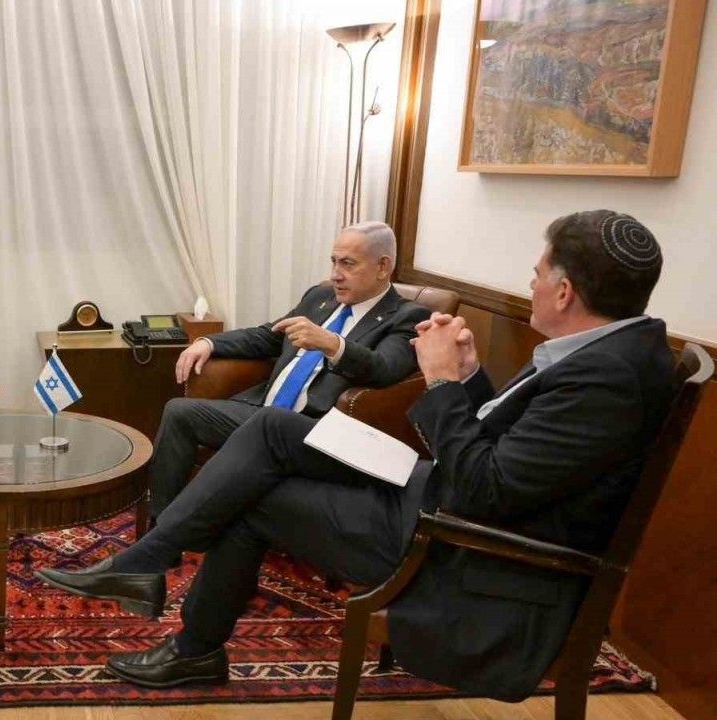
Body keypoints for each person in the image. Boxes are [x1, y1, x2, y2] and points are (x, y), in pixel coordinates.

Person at [36, 210, 675, 701]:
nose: (530, 284)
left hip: (457, 543)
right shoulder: (611, 353)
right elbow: (505, 445)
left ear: (564, 293)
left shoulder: (606, 379)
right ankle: (152, 569)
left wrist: (442, 384)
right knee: (269, 433)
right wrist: (472, 378)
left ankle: (184, 629)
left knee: (252, 492)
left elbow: (486, 491)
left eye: (538, 274)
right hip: (433, 488)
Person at [148, 221, 429, 517]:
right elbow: (268, 336)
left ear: (383, 267)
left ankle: (190, 526)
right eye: (333, 262)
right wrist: (209, 342)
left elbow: (384, 368)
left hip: (310, 428)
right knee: (178, 412)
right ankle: (159, 522)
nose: (335, 274)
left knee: (258, 437)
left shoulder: (408, 317)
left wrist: (332, 344)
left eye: (347, 264)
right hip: (260, 411)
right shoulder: (320, 297)